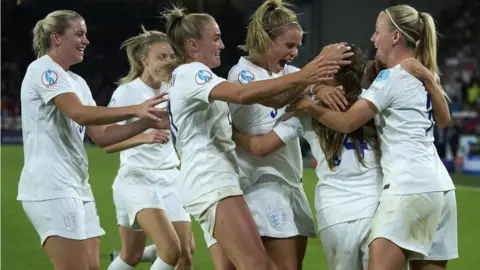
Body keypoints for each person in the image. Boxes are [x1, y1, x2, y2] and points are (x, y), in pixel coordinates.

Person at [161, 4, 350, 270]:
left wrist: (310, 83)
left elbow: (272, 98)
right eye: (215, 38)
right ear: (193, 46)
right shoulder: (191, 72)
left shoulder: (195, 77)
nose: (222, 45)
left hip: (219, 179)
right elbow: (242, 94)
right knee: (257, 265)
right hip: (211, 179)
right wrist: (309, 78)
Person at [285, 5, 457, 270]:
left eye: (378, 32)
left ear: (396, 37)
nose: (373, 39)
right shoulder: (418, 75)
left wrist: (310, 107)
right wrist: (431, 80)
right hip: (442, 190)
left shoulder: (391, 77)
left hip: (409, 188)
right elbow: (445, 122)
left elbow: (346, 122)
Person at [17, 10, 169, 270]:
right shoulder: (43, 70)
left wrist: (148, 120)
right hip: (50, 187)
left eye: (85, 34)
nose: (86, 40)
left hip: (77, 186)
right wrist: (135, 109)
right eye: (79, 34)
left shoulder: (76, 81)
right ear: (56, 38)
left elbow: (102, 137)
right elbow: (79, 113)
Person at [207, 1, 336, 269]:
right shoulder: (242, 75)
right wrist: (307, 90)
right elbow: (276, 100)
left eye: (298, 46)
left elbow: (312, 87)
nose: (294, 52)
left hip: (289, 181)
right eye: (289, 45)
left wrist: (318, 89)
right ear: (266, 39)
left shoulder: (292, 74)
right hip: (260, 182)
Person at [232, 44, 383, 270]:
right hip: (378, 206)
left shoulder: (304, 109)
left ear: (327, 72)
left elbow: (260, 147)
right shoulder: (373, 101)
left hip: (336, 212)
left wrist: (230, 132)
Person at [104, 27, 194, 270]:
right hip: (138, 178)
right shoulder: (127, 93)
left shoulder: (173, 90)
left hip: (171, 177)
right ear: (145, 60)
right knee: (170, 250)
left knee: (184, 254)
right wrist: (143, 137)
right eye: (160, 56)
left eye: (170, 56)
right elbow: (107, 142)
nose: (167, 61)